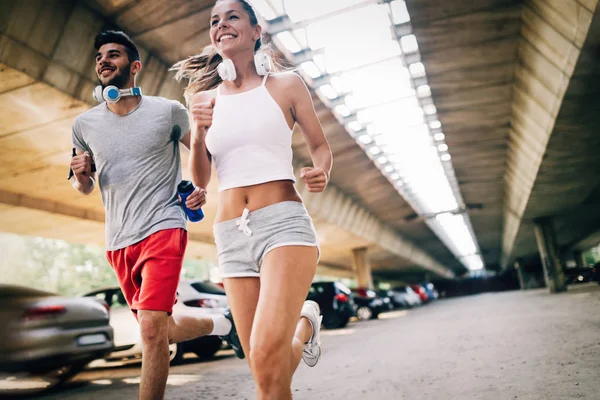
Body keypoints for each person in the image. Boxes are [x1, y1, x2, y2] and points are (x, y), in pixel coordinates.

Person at [69, 30, 243, 400]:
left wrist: (200, 188)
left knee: (150, 332)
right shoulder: (84, 125)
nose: (103, 61)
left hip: (164, 225)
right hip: (118, 239)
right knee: (162, 329)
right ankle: (225, 324)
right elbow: (82, 187)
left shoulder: (167, 112)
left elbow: (206, 160)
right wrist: (83, 175)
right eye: (99, 56)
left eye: (113, 54)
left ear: (134, 66)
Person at [171, 1, 333, 398]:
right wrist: (197, 124)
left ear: (256, 31)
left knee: (264, 353)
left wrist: (321, 172)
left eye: (232, 17)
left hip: (284, 225)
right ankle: (304, 325)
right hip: (230, 234)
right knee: (264, 369)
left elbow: (320, 147)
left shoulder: (287, 85)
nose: (221, 25)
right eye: (214, 21)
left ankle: (304, 324)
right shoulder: (205, 98)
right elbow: (202, 175)